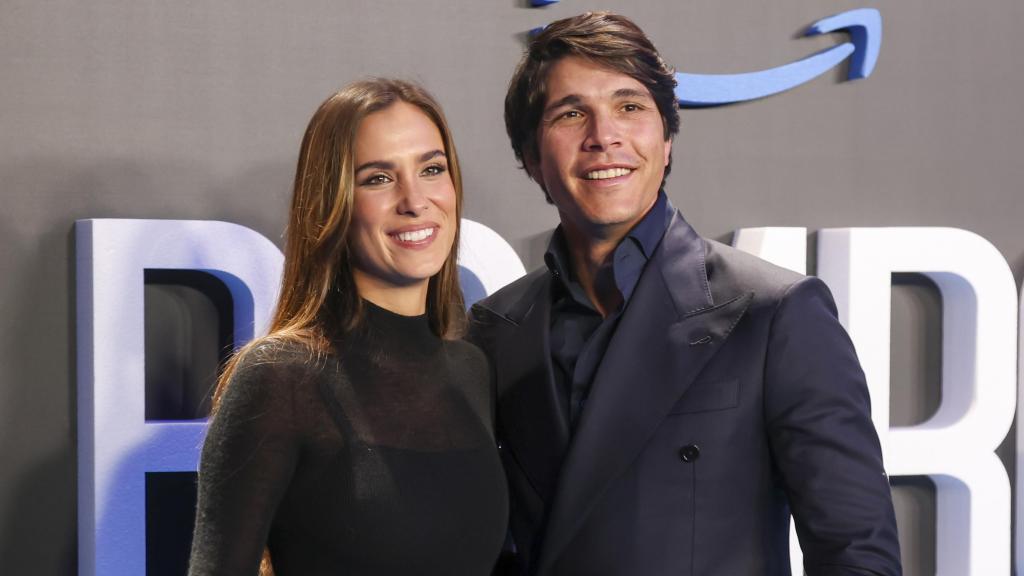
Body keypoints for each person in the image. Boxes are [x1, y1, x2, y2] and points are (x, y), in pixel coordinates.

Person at [468, 12, 902, 576]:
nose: (604, 137)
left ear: (667, 139)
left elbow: (856, 553)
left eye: (630, 107)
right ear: (530, 157)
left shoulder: (776, 314)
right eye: (571, 114)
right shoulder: (494, 329)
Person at [188, 79, 508, 575]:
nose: (415, 199)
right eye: (378, 178)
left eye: (431, 169)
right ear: (331, 203)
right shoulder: (281, 376)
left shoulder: (471, 369)